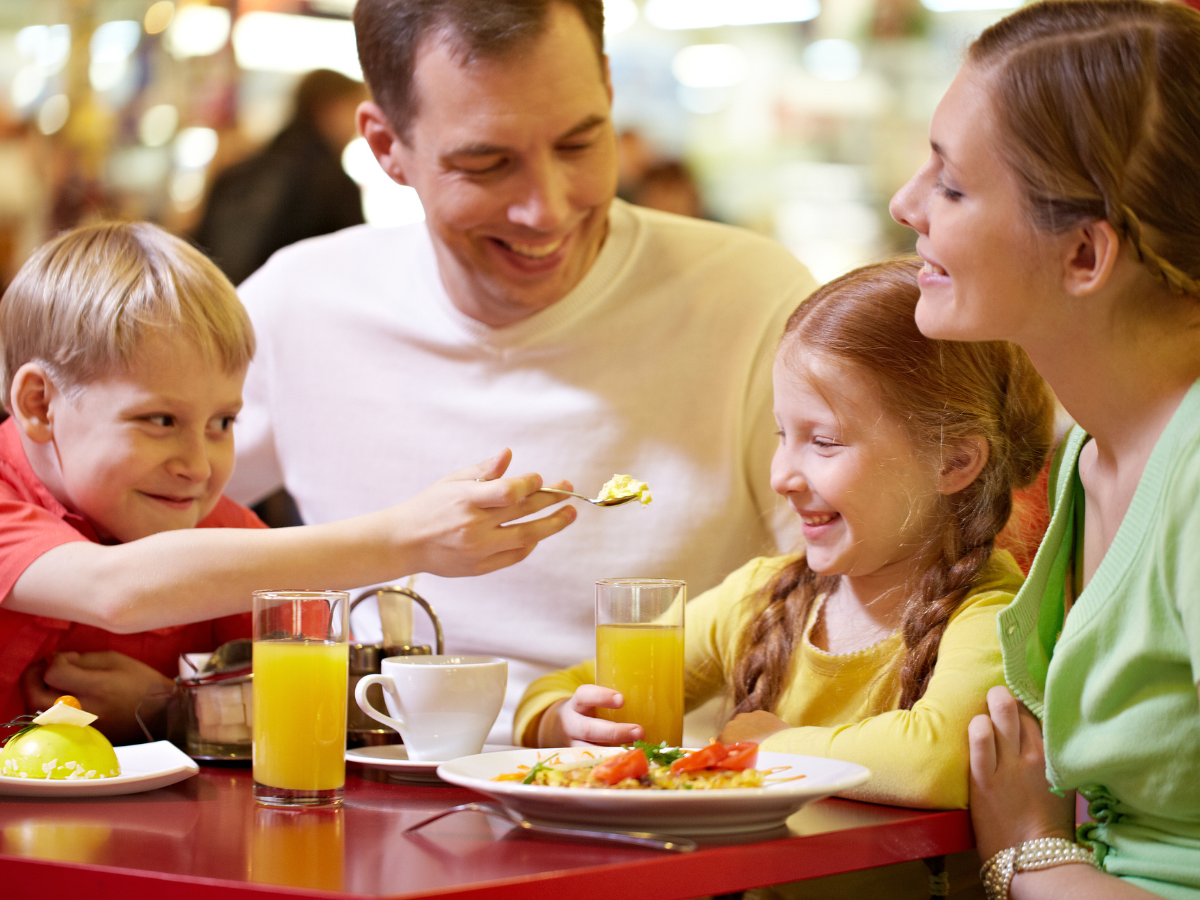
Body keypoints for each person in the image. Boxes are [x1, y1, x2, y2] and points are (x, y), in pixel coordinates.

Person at [226, 0, 818, 743]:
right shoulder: (301, 303)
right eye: (486, 163)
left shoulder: (750, 297)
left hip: (663, 807)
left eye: (578, 144)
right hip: (372, 800)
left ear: (607, 88)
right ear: (387, 145)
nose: (546, 209)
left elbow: (862, 586)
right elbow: (103, 518)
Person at [517, 258, 1056, 816]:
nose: (781, 476)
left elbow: (932, 764)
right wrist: (560, 718)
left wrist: (770, 745)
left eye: (823, 442)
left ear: (954, 460)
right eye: (782, 434)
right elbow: (571, 684)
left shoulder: (993, 614)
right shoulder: (763, 597)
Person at [0, 221, 573, 743]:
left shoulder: (219, 527)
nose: (197, 466)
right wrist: (408, 537)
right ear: (40, 404)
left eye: (223, 423)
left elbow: (331, 702)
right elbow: (117, 591)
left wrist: (167, 705)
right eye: (161, 421)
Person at [888, 2, 1200, 897]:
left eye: (951, 186)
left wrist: (1027, 850)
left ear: (1084, 256)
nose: (906, 203)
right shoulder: (1088, 453)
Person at [193, 69, 367, 289]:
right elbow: (354, 270)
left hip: (225, 307)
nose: (358, 128)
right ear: (328, 108)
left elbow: (199, 250)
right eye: (353, 109)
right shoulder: (334, 185)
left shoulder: (239, 172)